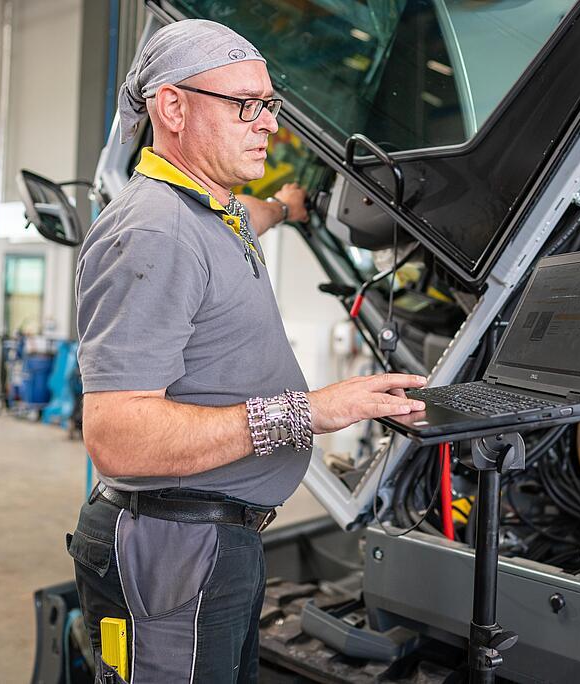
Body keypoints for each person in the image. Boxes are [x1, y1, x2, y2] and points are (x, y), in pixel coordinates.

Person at [67, 19, 426, 683]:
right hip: (172, 550)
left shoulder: (213, 209)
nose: (268, 125)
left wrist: (288, 208)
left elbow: (249, 217)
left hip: (211, 540)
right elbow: (115, 436)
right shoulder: (154, 232)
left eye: (269, 106)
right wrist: (305, 413)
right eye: (245, 106)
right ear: (172, 107)